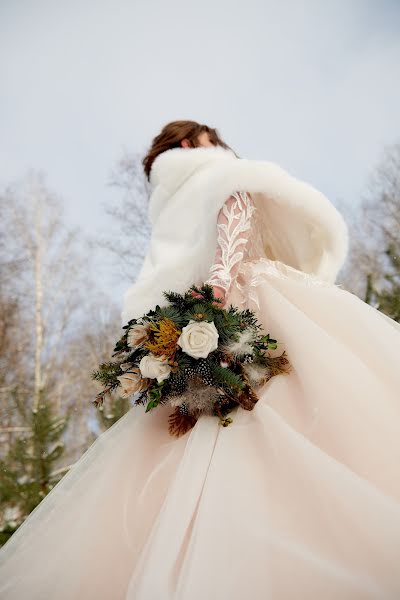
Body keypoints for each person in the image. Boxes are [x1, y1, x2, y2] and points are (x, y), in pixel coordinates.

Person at [1, 120, 400, 599]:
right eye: (213, 139)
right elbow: (238, 212)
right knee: (311, 405)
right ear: (192, 142)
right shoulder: (220, 171)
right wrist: (220, 286)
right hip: (243, 299)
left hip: (194, 329)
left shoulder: (168, 209)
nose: (222, 147)